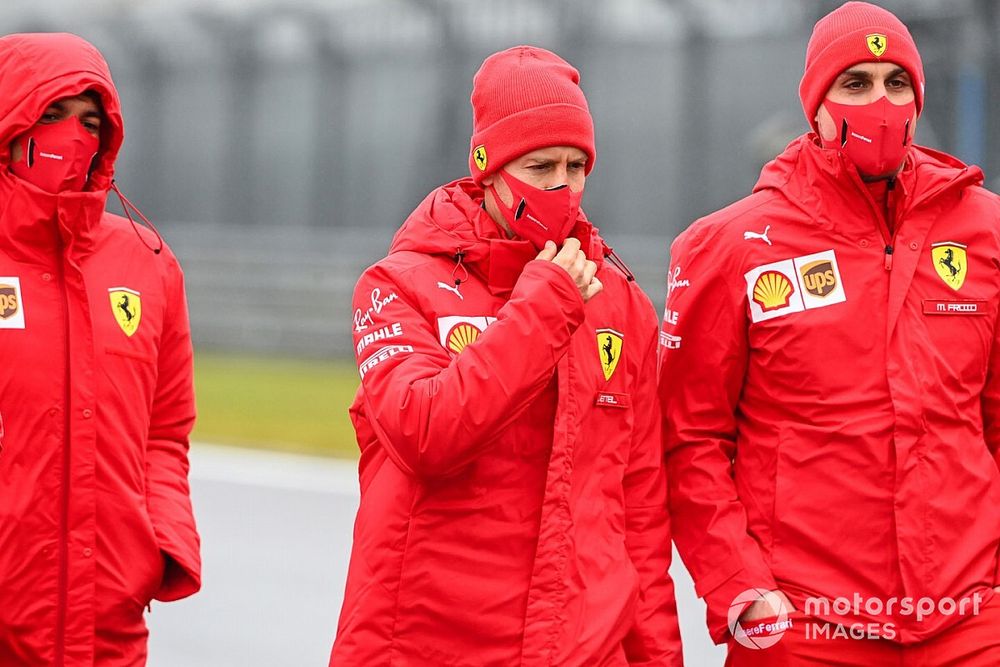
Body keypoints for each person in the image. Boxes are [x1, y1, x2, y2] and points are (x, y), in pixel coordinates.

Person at [658, 2, 1000, 665]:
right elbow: (689, 439)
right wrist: (742, 586)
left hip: (966, 618)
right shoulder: (730, 245)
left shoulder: (985, 231)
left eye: (895, 82)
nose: (880, 101)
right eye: (855, 84)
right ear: (814, 103)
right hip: (805, 620)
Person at [332, 46, 682, 666]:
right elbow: (425, 433)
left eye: (577, 167)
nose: (561, 187)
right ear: (487, 168)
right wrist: (545, 305)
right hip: (429, 642)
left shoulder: (623, 305)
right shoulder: (396, 285)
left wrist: (658, 657)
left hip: (581, 645)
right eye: (541, 165)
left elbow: (640, 516)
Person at [0, 33, 201, 665]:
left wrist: (156, 544)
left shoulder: (147, 261)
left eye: (90, 121)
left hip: (105, 614)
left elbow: (164, 434)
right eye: (52, 113)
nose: (72, 135)